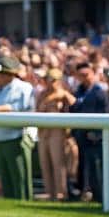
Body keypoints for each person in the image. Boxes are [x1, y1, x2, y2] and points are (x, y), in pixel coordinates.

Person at [0, 56, 35, 200]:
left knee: (20, 179)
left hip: (16, 138)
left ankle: (26, 205)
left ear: (8, 74)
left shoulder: (24, 88)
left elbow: (22, 108)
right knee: (6, 180)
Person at [36, 67, 77, 201]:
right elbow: (37, 111)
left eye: (52, 80)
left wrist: (62, 95)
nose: (49, 82)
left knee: (58, 164)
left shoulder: (64, 94)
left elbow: (74, 104)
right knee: (45, 163)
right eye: (48, 79)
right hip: (43, 132)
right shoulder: (42, 94)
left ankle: (61, 193)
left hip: (57, 133)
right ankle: (50, 193)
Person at [70, 62, 108, 201]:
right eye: (81, 75)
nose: (85, 78)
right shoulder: (77, 92)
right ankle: (83, 191)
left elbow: (104, 113)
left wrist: (97, 133)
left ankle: (97, 195)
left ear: (93, 73)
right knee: (81, 166)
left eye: (87, 75)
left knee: (94, 168)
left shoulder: (100, 92)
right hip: (80, 136)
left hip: (94, 138)